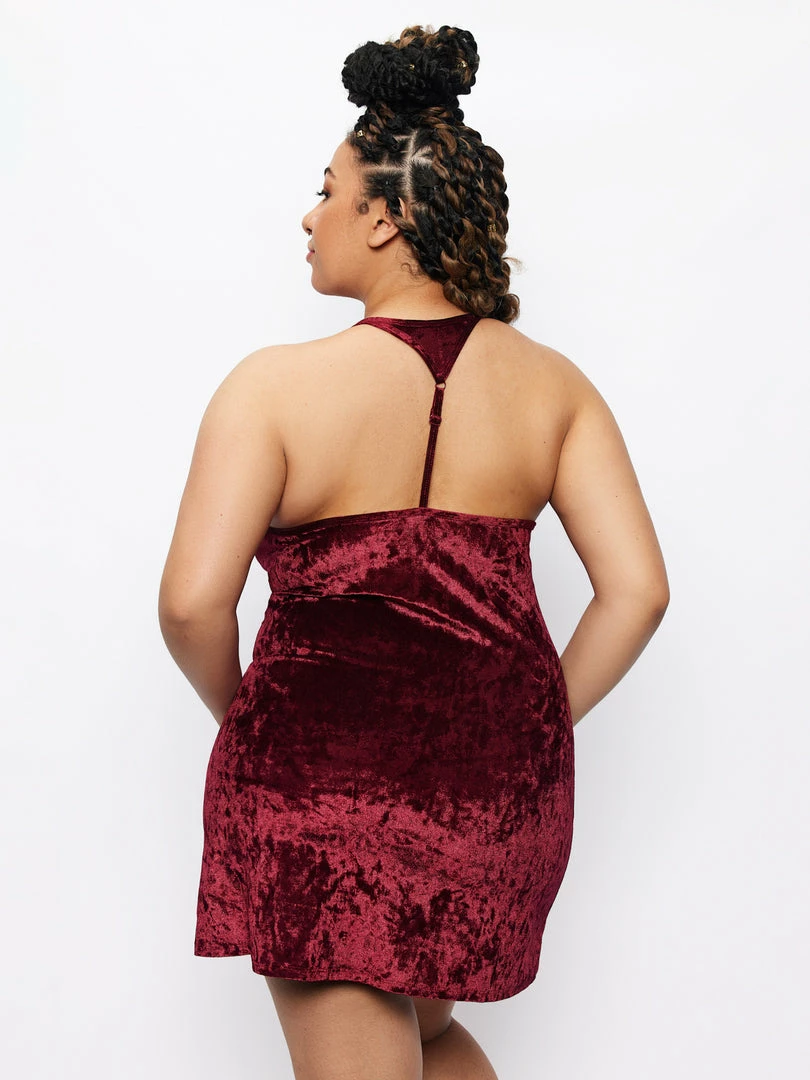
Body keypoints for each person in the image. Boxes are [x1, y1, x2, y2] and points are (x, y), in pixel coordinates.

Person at [158, 23, 669, 1080]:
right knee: (426, 1040)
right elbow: (638, 592)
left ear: (385, 216)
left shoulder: (272, 388)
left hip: (323, 791)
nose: (310, 216)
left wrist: (248, 717)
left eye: (328, 192)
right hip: (489, 801)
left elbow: (191, 604)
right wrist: (529, 724)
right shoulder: (555, 389)